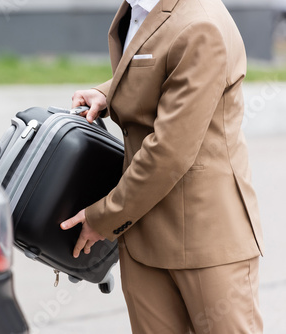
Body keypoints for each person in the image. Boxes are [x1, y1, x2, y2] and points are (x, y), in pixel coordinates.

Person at [60, 0, 264, 332]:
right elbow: (159, 65)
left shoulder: (201, 24)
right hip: (143, 234)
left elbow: (169, 151)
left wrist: (104, 217)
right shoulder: (138, 8)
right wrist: (107, 93)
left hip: (204, 241)